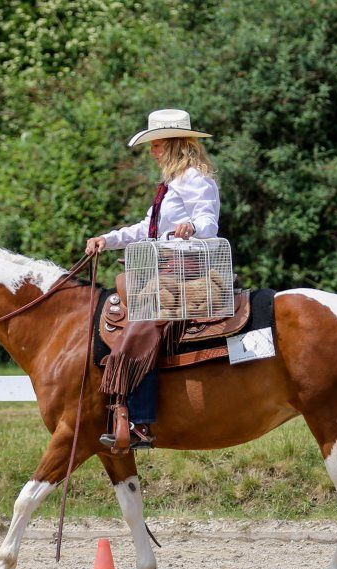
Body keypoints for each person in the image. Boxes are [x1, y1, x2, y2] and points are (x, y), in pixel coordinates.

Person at [85, 109, 220, 450]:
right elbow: (146, 230)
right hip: (164, 270)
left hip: (186, 272)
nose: (152, 151)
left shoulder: (196, 178)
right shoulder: (169, 185)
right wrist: (108, 238)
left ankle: (140, 422)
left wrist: (193, 228)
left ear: (175, 144)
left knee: (143, 324)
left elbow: (209, 221)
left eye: (157, 144)